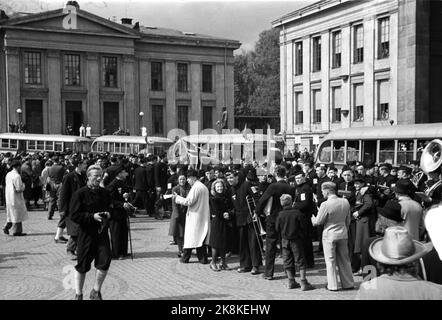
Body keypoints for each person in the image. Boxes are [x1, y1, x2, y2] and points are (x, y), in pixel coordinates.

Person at [356, 226, 441, 300]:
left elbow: (367, 271)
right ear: (415, 261)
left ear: (380, 263)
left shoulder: (367, 291)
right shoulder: (436, 292)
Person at [70, 165, 113, 300]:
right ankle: (78, 293)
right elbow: (74, 215)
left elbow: (111, 207)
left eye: (100, 175)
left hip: (102, 233)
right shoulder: (80, 194)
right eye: (96, 175)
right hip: (86, 234)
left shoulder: (105, 193)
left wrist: (109, 214)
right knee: (82, 265)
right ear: (88, 177)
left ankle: (96, 291)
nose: (99, 178)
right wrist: (91, 216)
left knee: (105, 261)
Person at [311, 181, 354, 291]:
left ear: (327, 190)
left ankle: (333, 285)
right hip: (343, 233)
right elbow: (348, 220)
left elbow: (318, 222)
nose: (322, 193)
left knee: (330, 261)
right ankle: (348, 283)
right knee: (345, 260)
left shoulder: (325, 204)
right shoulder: (345, 202)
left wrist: (313, 218)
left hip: (329, 235)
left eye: (322, 191)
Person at [256, 166, 296, 280]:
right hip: (287, 218)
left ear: (275, 174)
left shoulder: (273, 186)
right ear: (285, 174)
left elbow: (263, 200)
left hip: (273, 218)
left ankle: (269, 272)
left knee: (270, 246)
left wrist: (258, 212)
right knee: (287, 245)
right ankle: (290, 271)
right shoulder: (290, 188)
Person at [276, 194, 315, 291]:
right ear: (291, 201)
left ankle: (291, 281)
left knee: (287, 261)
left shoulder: (280, 214)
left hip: (285, 240)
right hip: (296, 240)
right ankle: (303, 282)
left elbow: (277, 228)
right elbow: (303, 226)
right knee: (300, 260)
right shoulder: (297, 213)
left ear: (281, 203)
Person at [174, 169, 210, 264]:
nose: (188, 181)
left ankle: (185, 258)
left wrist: (177, 198)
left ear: (192, 178)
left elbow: (188, 201)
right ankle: (203, 258)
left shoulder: (195, 188)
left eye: (188, 179)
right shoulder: (203, 187)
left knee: (191, 238)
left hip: (195, 216)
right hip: (202, 215)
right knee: (200, 238)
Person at [58, 158, 88, 260]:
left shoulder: (83, 176)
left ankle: (80, 250)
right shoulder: (69, 177)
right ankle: (70, 249)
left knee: (81, 230)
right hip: (72, 208)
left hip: (82, 207)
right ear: (79, 164)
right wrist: (62, 209)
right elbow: (63, 194)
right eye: (84, 164)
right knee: (75, 231)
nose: (86, 165)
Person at [106, 166, 130, 260]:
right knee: (116, 233)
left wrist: (127, 196)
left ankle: (124, 251)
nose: (126, 174)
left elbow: (125, 195)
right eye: (124, 172)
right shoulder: (113, 184)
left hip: (123, 212)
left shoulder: (123, 183)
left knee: (124, 232)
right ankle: (116, 253)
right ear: (119, 173)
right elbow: (110, 200)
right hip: (115, 213)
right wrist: (121, 204)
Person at [208, 179, 233, 271]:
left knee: (224, 243)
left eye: (221, 186)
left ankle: (223, 262)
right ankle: (213, 262)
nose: (220, 188)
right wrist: (225, 214)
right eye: (218, 187)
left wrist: (228, 214)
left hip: (224, 222)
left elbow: (230, 208)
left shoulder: (225, 197)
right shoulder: (213, 198)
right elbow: (216, 211)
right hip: (217, 222)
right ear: (214, 188)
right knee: (216, 243)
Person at [3, 159, 28, 236]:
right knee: (17, 214)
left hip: (8, 196)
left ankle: (7, 226)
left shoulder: (8, 174)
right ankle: (17, 231)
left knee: (11, 213)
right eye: (20, 166)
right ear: (17, 167)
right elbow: (19, 189)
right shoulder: (17, 176)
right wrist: (23, 185)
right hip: (15, 197)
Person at [169, 174, 190, 257]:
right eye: (180, 179)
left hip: (187, 213)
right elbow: (174, 203)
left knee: (186, 232)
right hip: (178, 213)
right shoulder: (175, 188)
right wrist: (177, 214)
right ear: (178, 180)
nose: (182, 181)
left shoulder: (189, 188)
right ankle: (180, 250)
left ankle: (185, 249)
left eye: (183, 179)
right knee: (179, 233)